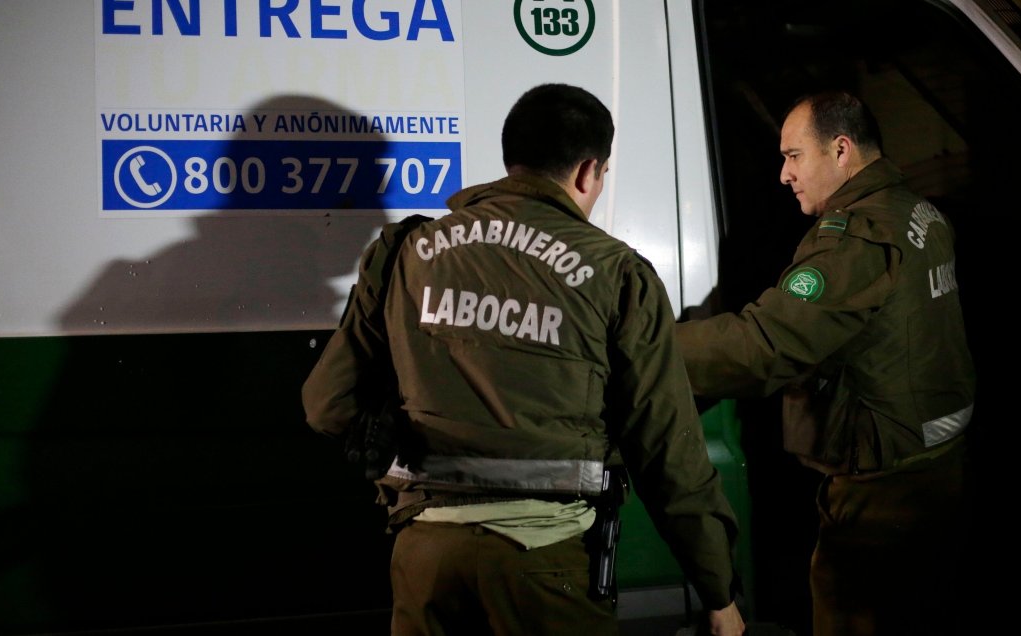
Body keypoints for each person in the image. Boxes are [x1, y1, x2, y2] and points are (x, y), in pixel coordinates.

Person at [302, 83, 745, 636]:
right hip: (545, 564)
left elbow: (325, 406)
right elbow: (667, 454)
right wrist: (718, 591)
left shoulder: (404, 252)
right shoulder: (617, 273)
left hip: (425, 561)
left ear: (512, 160)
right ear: (589, 172)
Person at [675, 91, 976, 636]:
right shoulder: (916, 210)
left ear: (840, 150)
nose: (784, 175)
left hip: (882, 502)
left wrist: (648, 344)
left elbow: (765, 346)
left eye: (794, 156)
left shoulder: (856, 238)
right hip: (934, 469)